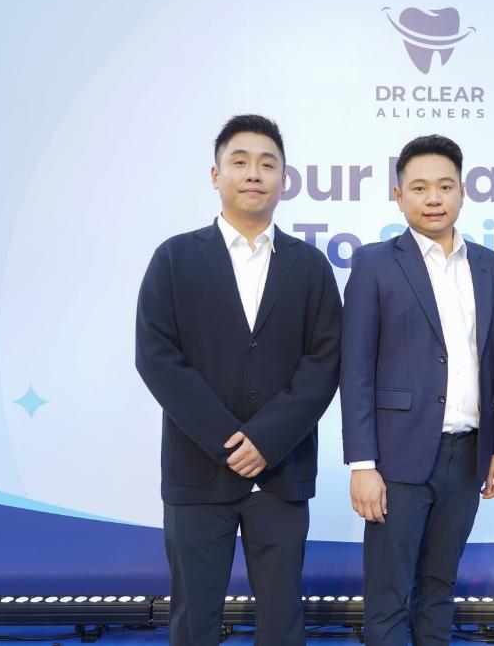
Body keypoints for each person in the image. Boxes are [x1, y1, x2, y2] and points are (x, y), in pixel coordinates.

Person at [135, 114, 342, 646]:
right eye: (241, 162)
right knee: (194, 622)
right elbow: (157, 358)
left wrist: (266, 440)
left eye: (268, 164)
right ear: (216, 175)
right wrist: (229, 441)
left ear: (284, 180)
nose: (254, 174)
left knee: (282, 622)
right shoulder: (175, 258)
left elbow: (324, 363)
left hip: (281, 473)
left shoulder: (311, 266)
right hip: (197, 471)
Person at [340, 134, 494, 645]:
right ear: (399, 196)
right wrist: (362, 464)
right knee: (389, 597)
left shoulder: (491, 266)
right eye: (418, 188)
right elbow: (356, 370)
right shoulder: (374, 263)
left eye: (444, 186)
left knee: (439, 590)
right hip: (397, 459)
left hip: (468, 456)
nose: (433, 198)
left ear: (463, 191)